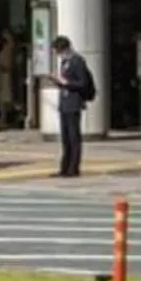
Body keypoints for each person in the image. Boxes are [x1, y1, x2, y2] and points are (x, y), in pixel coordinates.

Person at [52, 36, 94, 178]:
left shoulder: (78, 61)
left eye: (59, 51)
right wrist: (58, 82)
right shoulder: (65, 62)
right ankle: (64, 167)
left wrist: (66, 83)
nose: (58, 54)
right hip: (64, 103)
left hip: (74, 103)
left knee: (73, 137)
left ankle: (73, 168)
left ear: (65, 48)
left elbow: (82, 83)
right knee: (65, 138)